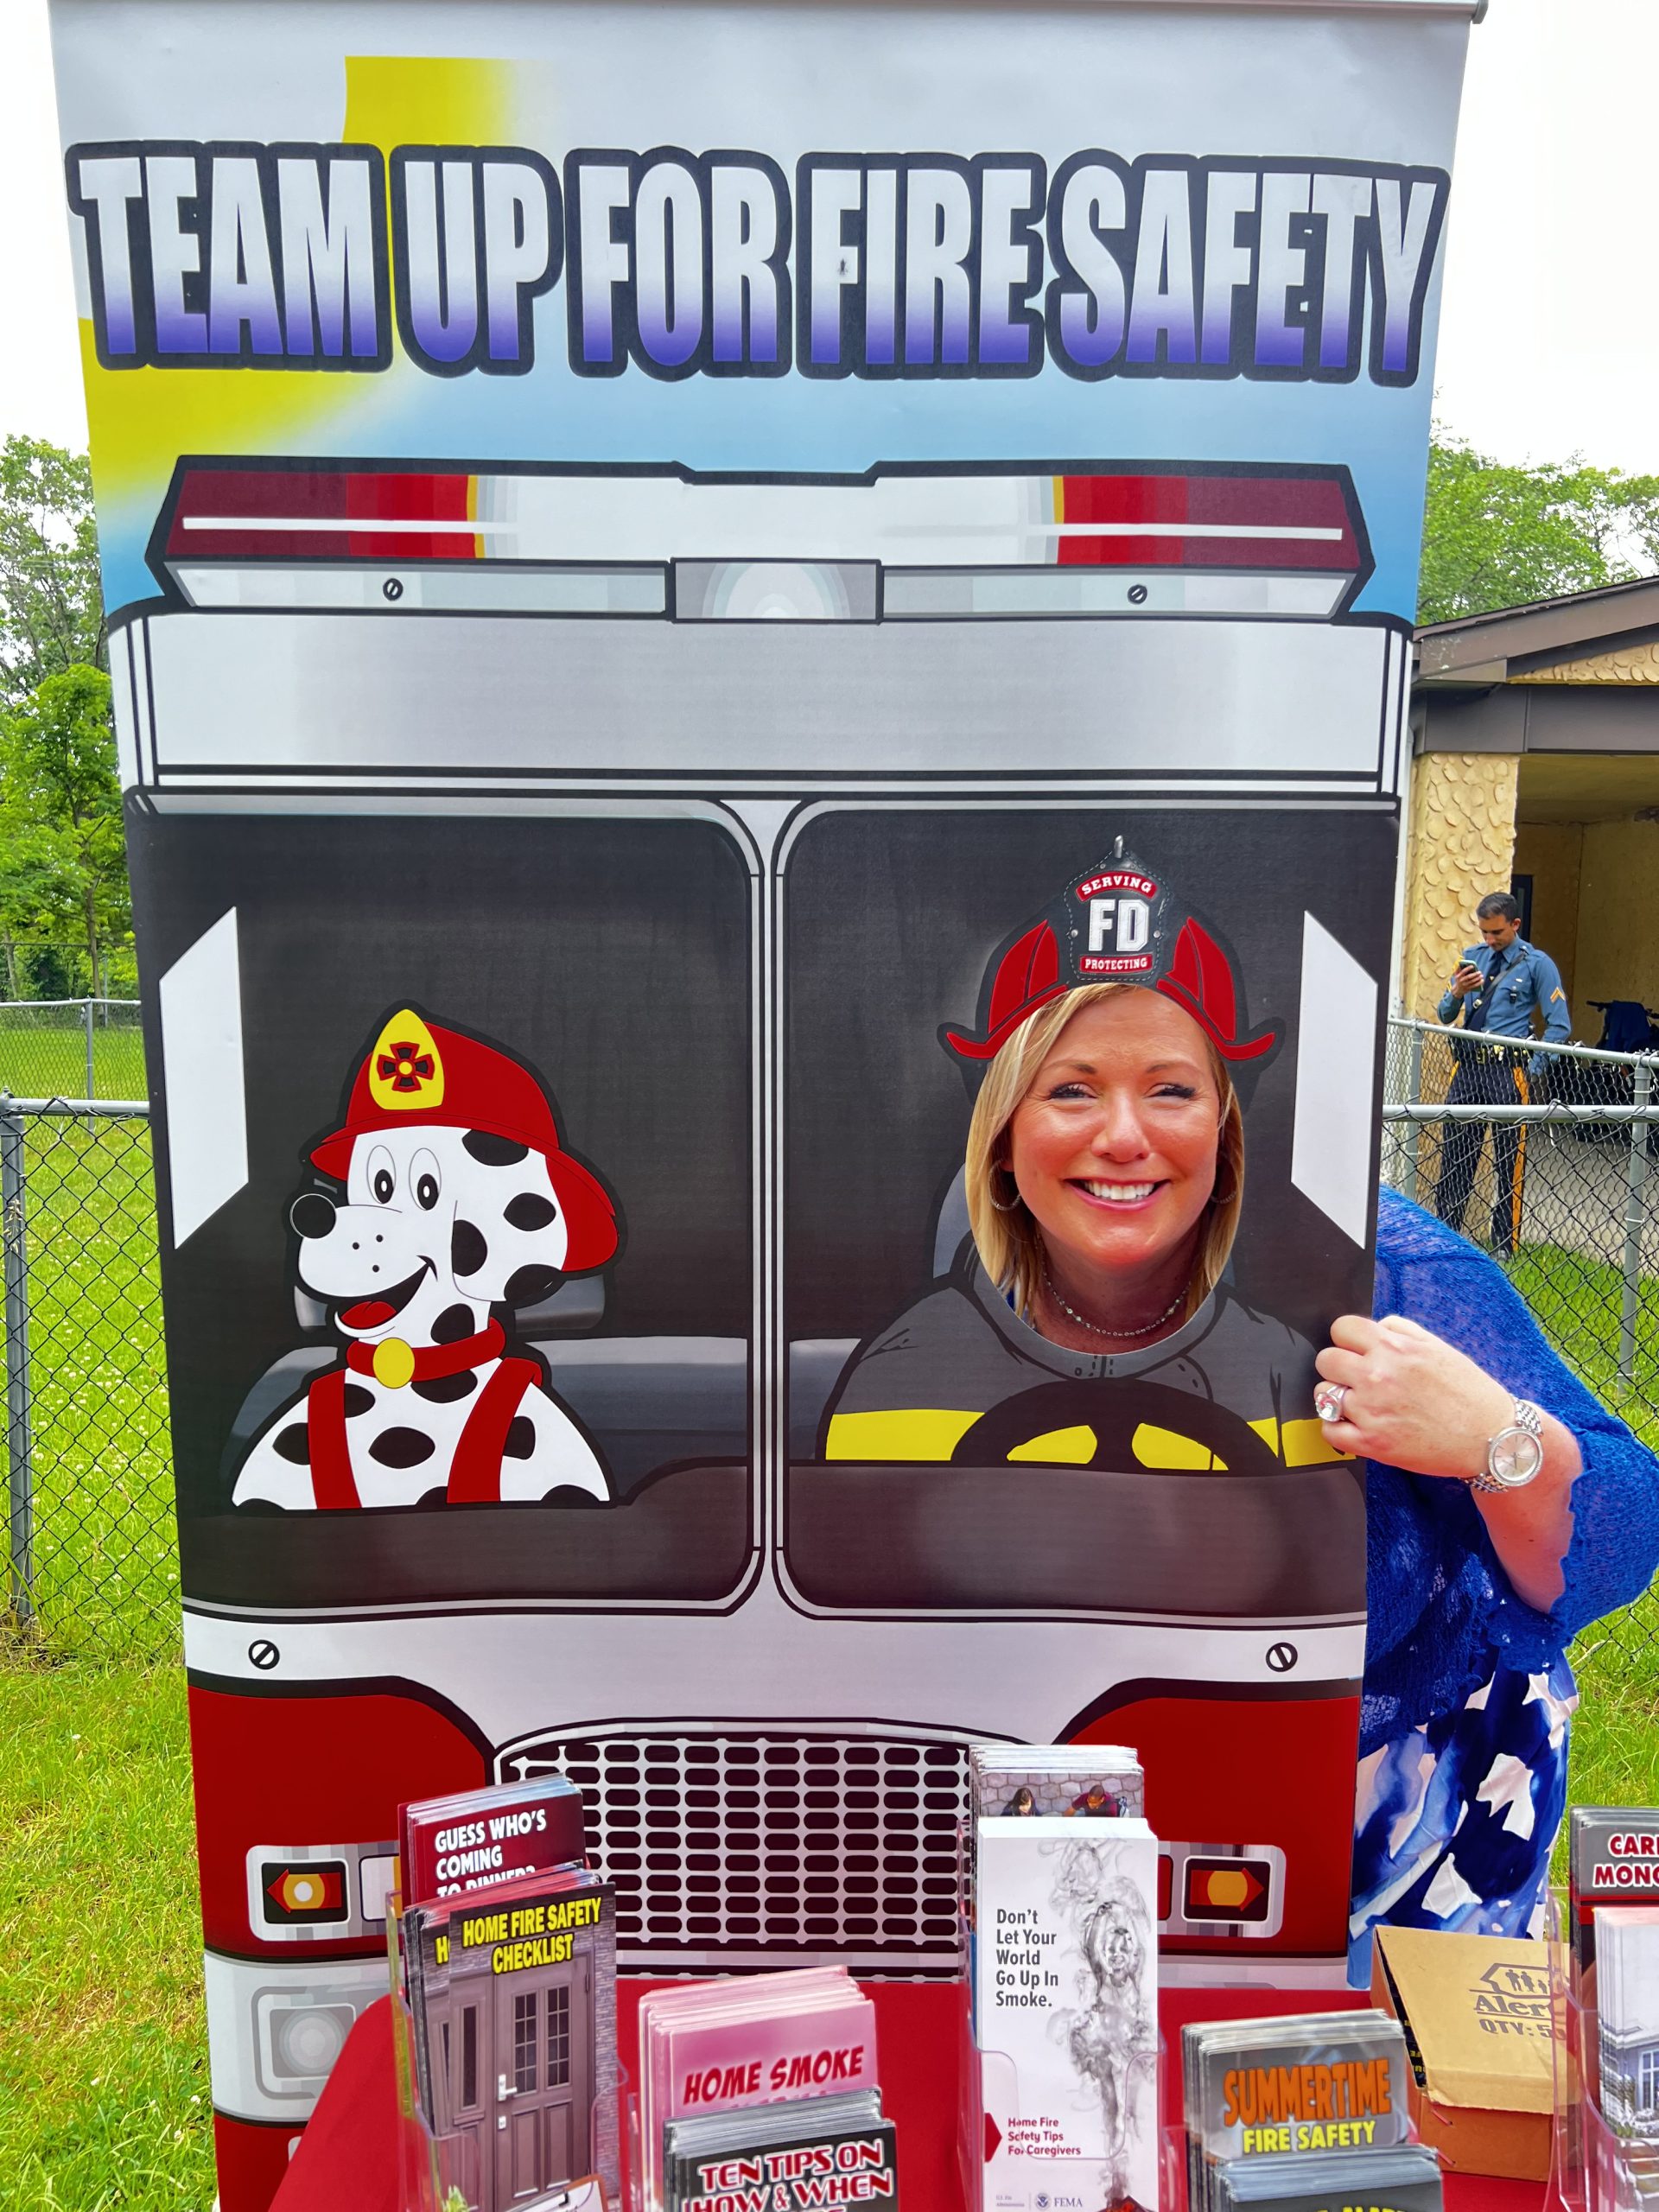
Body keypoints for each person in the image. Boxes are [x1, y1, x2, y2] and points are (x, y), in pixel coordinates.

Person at [1320, 1184, 1659, 1982]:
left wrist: (1492, 1439)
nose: (1123, 1135)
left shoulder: (1384, 1263)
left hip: (1407, 1817)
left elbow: (1616, 1538)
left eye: (1170, 1104)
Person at [1433, 892, 1570, 1256]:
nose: (1489, 939)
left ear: (1515, 924)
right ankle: (1446, 1237)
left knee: (1509, 1161)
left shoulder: (1537, 964)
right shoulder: (1472, 958)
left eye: (1496, 932)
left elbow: (1559, 1026)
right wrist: (1457, 992)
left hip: (1508, 1072)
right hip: (1468, 1070)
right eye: (1484, 932)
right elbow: (1445, 1015)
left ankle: (1504, 1244)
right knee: (1456, 1156)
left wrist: (1532, 1068)